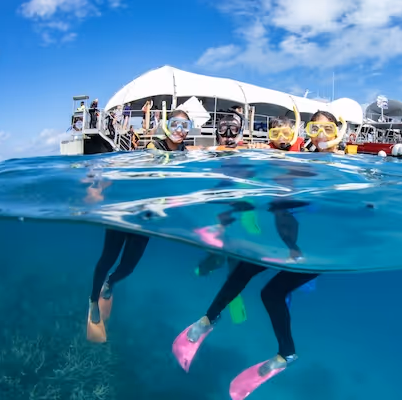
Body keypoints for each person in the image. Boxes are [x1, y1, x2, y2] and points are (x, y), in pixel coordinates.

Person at [172, 109, 347, 400]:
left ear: (339, 131)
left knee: (271, 294)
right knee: (243, 269)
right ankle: (207, 321)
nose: (322, 137)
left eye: (328, 130)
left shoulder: (344, 162)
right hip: (288, 243)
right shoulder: (296, 156)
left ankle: (285, 354)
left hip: (319, 250)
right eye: (315, 129)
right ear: (305, 132)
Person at [86, 109, 198, 343]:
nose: (179, 130)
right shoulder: (153, 148)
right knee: (107, 258)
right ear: (167, 126)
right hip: (127, 211)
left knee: (127, 268)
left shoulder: (187, 154)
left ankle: (110, 282)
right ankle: (93, 301)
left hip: (148, 218)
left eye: (185, 126)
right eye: (175, 124)